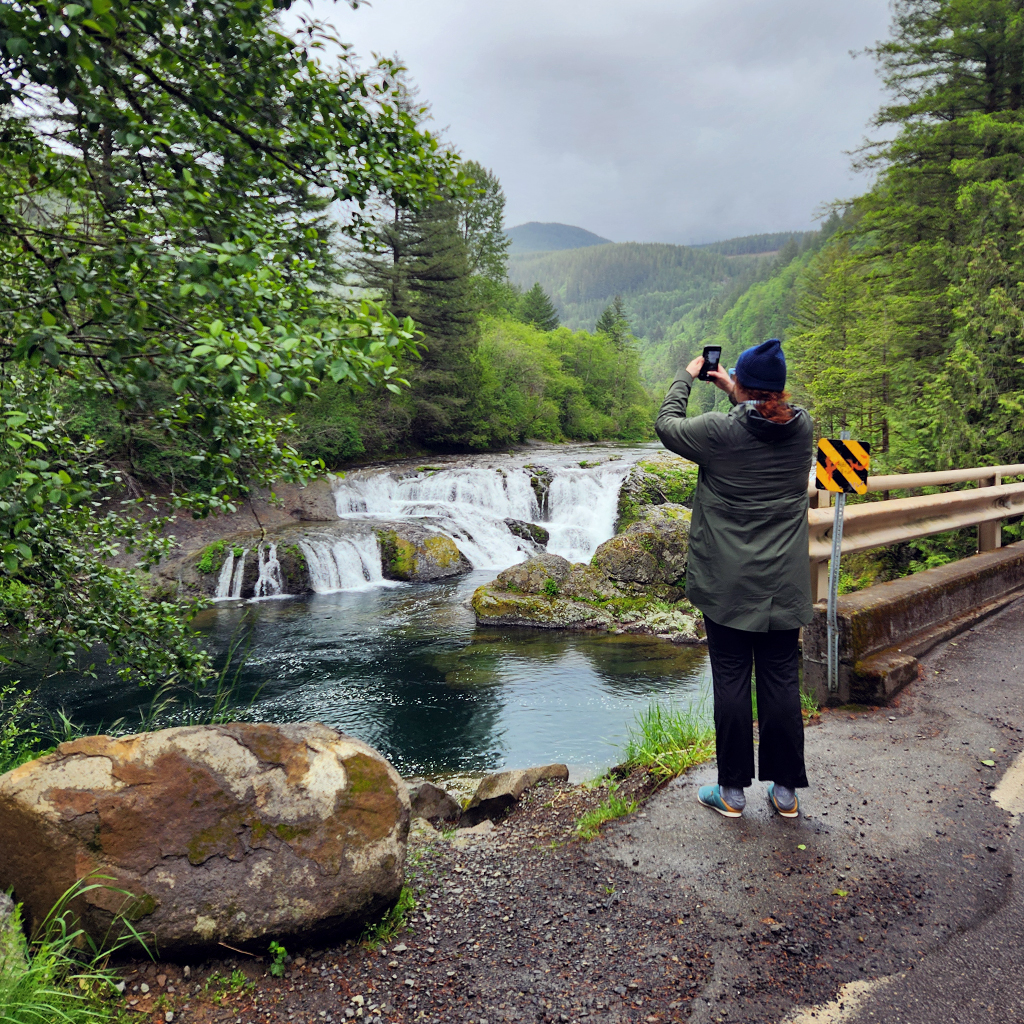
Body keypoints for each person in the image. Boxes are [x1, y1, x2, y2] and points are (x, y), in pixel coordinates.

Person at [654, 338, 813, 819]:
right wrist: (736, 392)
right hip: (782, 585)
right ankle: (785, 795)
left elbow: (667, 426)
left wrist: (687, 376)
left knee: (731, 681)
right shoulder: (803, 429)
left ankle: (732, 793)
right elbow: (763, 421)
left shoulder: (719, 433)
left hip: (726, 587)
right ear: (780, 390)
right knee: (781, 681)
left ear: (741, 383)